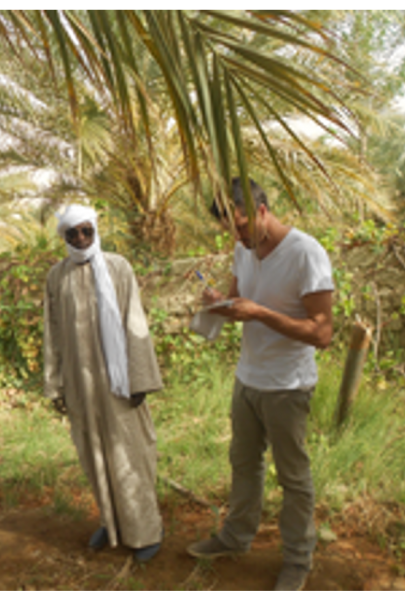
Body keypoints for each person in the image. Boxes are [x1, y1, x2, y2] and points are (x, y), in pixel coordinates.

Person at [188, 179, 335, 592]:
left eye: (242, 227)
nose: (237, 237)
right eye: (231, 231)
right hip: (248, 378)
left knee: (293, 475)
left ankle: (297, 559)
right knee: (243, 463)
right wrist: (220, 301)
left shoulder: (306, 253)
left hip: (288, 385)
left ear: (263, 210)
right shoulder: (242, 249)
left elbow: (322, 334)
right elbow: (240, 304)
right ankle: (235, 538)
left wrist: (261, 313)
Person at [43, 205, 165, 562]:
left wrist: (139, 378)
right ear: (64, 238)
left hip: (120, 384)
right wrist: (55, 384)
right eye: (72, 234)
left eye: (86, 232)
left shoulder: (118, 267)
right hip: (80, 384)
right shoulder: (56, 276)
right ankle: (111, 523)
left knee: (130, 454)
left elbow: (134, 320)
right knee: (92, 452)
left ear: (95, 230)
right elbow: (52, 332)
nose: (80, 239)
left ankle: (144, 531)